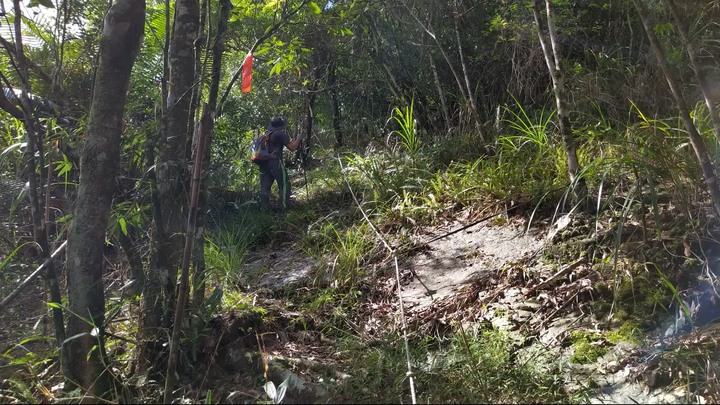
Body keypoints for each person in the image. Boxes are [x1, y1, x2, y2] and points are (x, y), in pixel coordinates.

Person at [258, 116, 305, 212]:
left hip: (264, 164)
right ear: (281, 126)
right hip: (275, 162)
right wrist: (299, 139)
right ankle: (284, 207)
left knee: (265, 187)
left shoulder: (267, 134)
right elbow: (292, 148)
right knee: (284, 184)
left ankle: (265, 209)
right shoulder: (280, 134)